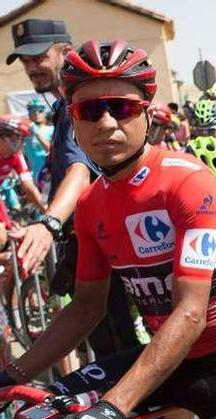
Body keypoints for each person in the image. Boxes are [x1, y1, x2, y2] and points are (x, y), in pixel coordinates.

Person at [8, 39, 216, 419]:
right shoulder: (90, 205)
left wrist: (114, 405)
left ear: (145, 111)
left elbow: (191, 312)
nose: (105, 123)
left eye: (120, 107)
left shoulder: (188, 184)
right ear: (71, 119)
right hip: (164, 356)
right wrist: (15, 372)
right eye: (89, 110)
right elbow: (85, 309)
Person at [6, 19, 139, 360]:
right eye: (25, 60)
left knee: (117, 356)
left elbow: (81, 170)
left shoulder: (76, 107)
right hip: (91, 247)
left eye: (38, 57)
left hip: (103, 248)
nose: (31, 67)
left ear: (65, 52)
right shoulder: (62, 106)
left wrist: (49, 224)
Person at [0, 115, 47, 212]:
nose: (19, 143)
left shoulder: (16, 156)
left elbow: (28, 185)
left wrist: (46, 210)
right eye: (14, 139)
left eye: (21, 139)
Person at [22, 98, 54, 189]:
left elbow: (51, 149)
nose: (36, 113)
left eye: (39, 111)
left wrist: (36, 132)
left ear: (44, 113)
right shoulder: (26, 133)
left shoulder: (51, 130)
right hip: (34, 177)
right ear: (29, 114)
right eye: (32, 111)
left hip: (49, 175)